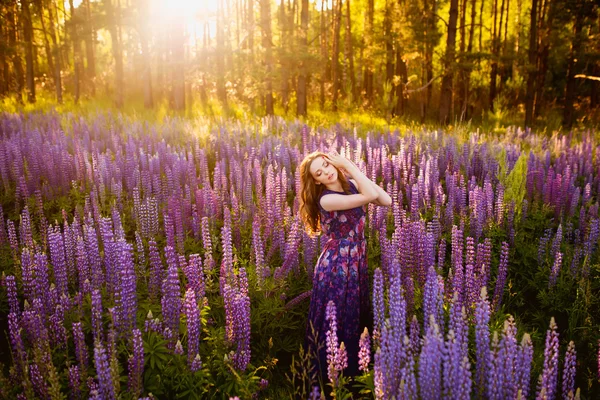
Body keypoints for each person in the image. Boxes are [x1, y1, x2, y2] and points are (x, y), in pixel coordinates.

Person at [298, 149, 391, 387]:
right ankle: (328, 378)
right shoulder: (326, 199)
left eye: (326, 165)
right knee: (337, 318)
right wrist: (349, 166)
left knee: (354, 314)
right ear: (316, 180)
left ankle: (352, 373)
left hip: (356, 260)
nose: (326, 172)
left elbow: (386, 200)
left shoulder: (351, 185)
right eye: (319, 173)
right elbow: (369, 195)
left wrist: (352, 173)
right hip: (337, 265)